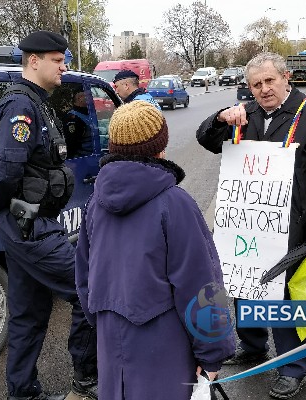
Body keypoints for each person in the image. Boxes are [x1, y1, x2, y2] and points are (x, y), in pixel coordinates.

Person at [196, 52, 306, 399]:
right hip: (249, 227)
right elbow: (206, 139)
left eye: (269, 81)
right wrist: (221, 117)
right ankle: (253, 346)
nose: (264, 89)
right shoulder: (246, 115)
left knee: (284, 298)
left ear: (286, 77)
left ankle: (292, 367)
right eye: (256, 84)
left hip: (291, 226)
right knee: (248, 288)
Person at [75, 100, 235, 400]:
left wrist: (107, 323)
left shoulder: (95, 203)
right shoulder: (175, 204)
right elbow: (200, 284)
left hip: (111, 347)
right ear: (160, 148)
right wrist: (212, 353)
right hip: (165, 351)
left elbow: (84, 278)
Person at [0, 30, 98, 400]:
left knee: (27, 314)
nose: (64, 67)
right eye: (57, 61)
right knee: (89, 290)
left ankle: (23, 393)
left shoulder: (37, 103)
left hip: (29, 221)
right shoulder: (21, 107)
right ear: (34, 61)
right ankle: (87, 380)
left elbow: (26, 167)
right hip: (29, 224)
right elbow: (6, 167)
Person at [62, 89, 94, 157]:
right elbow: (71, 143)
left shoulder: (88, 113)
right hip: (83, 158)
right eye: (88, 95)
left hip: (93, 156)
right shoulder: (73, 118)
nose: (91, 98)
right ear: (80, 98)